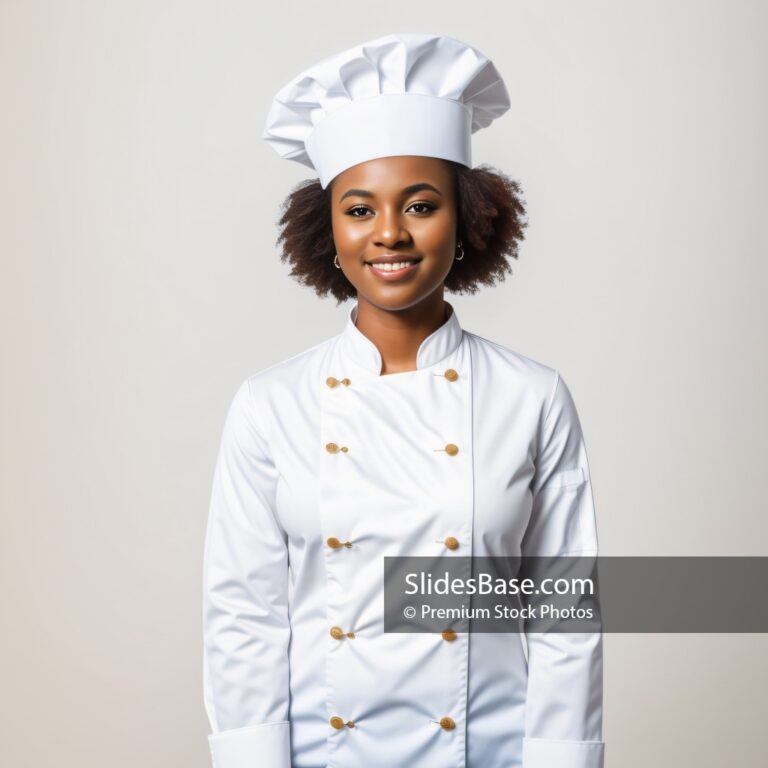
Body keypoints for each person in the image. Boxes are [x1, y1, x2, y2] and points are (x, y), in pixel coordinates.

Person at [202, 32, 604, 768]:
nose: (390, 233)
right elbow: (244, 618)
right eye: (359, 209)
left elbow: (565, 615)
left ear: (468, 218)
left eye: (420, 205)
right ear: (327, 229)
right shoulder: (270, 405)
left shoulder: (533, 396)